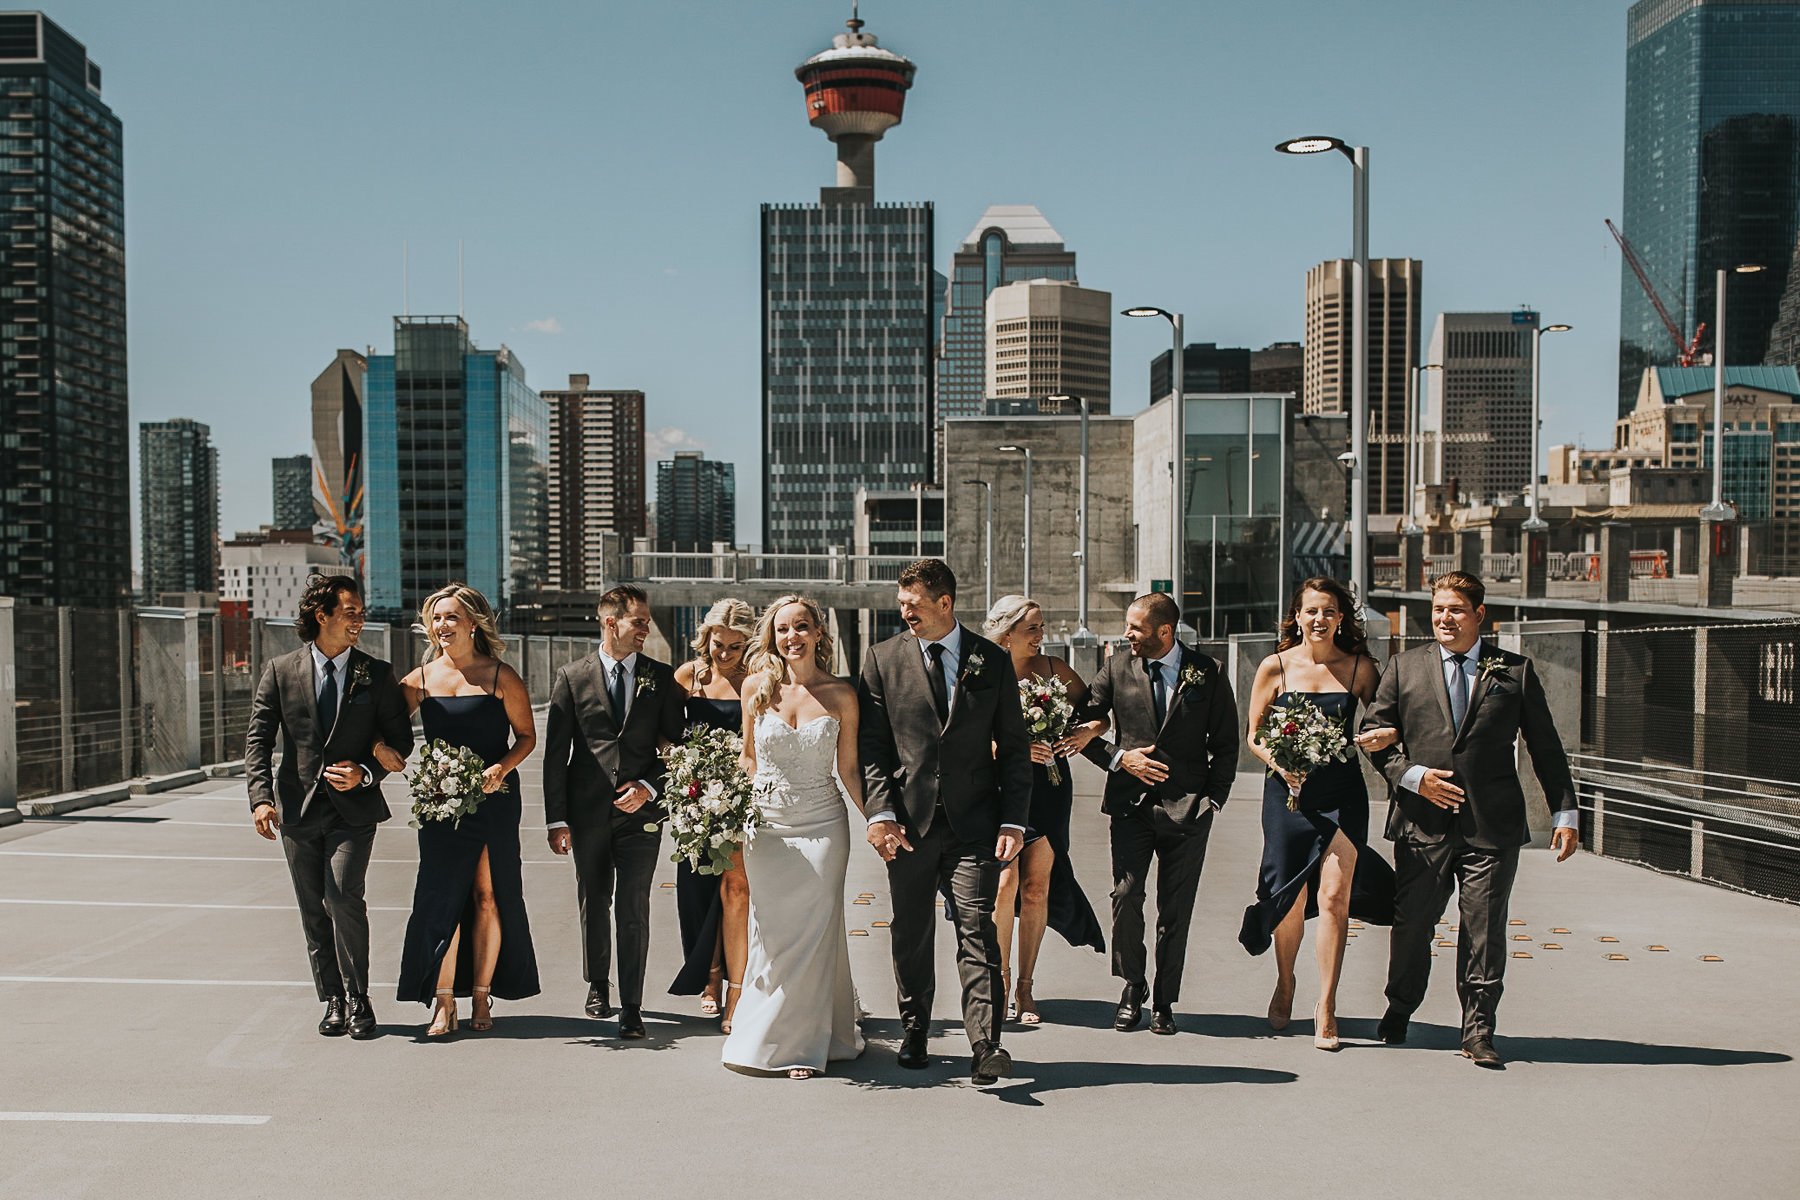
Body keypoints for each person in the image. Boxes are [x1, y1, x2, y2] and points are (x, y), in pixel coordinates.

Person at [1362, 571, 1580, 1069]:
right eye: (1438, 609)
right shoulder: (1403, 667)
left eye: (1455, 609)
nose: (1444, 618)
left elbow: (1545, 748)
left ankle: (1478, 1030)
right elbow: (1375, 735)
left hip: (1492, 824)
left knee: (1483, 929)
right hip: (1423, 822)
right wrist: (1414, 776)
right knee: (1413, 925)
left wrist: (1564, 812)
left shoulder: (1514, 672)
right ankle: (1400, 1006)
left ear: (1480, 615)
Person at [858, 558, 1033, 1087]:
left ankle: (986, 1045)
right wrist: (882, 813)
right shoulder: (881, 660)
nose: (904, 611)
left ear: (945, 603)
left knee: (978, 930)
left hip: (973, 824)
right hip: (908, 825)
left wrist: (1013, 821)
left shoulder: (990, 661)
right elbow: (873, 748)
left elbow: (1016, 750)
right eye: (901, 602)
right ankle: (915, 1030)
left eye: (913, 603)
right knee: (911, 932)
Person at [1062, 593, 1238, 1036]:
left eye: (1135, 628)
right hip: (1130, 805)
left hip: (1189, 809)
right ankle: (1132, 984)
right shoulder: (1117, 667)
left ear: (1165, 631)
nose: (1127, 635)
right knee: (1126, 896)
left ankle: (1164, 999)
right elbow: (1081, 727)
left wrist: (1213, 800)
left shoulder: (1209, 672)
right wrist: (1121, 759)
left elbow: (1227, 743)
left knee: (1175, 909)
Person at [246, 575, 412, 1040]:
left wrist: (367, 771)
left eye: (361, 611)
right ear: (323, 616)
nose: (360, 619)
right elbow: (258, 740)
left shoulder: (376, 674)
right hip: (297, 809)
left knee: (341, 895)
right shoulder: (280, 671)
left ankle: (360, 996)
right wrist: (260, 798)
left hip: (354, 810)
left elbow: (401, 741)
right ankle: (333, 999)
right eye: (351, 612)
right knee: (312, 908)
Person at [1238, 577, 1398, 1051]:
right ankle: (1286, 981)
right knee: (1290, 895)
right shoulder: (1275, 667)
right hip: (1286, 795)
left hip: (1342, 792)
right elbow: (1254, 735)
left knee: (1334, 896)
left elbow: (1388, 719)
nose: (1320, 620)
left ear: (1342, 618)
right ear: (1297, 617)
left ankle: (1325, 1003)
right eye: (1312, 611)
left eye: (1329, 611)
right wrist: (1280, 763)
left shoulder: (1360, 669)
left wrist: (1385, 737)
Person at [721, 596, 866, 1080]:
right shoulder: (756, 689)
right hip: (768, 828)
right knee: (775, 933)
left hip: (824, 825)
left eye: (801, 627)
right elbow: (747, 757)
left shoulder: (842, 695)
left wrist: (880, 822)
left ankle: (801, 1047)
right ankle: (772, 1033)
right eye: (783, 630)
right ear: (773, 637)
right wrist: (729, 806)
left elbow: (848, 769)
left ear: (818, 633)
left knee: (814, 932)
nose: (792, 637)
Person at [387, 584, 541, 1037]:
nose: (442, 626)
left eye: (451, 617)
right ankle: (443, 1001)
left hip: (494, 802)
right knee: (442, 902)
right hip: (441, 806)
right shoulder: (418, 679)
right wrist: (381, 749)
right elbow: (385, 727)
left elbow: (527, 737)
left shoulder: (499, 676)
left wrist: (501, 767)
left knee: (488, 896)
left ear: (473, 622)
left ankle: (480, 993)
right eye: (436, 618)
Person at [542, 585, 685, 1040]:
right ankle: (598, 983)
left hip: (641, 815)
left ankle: (633, 1005)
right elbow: (555, 755)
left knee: (633, 906)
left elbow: (676, 752)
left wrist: (647, 787)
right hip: (587, 813)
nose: (646, 628)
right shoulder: (571, 676)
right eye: (638, 621)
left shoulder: (662, 679)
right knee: (594, 899)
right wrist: (557, 819)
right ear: (611, 621)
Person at [981, 595, 1105, 1027]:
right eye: (1032, 628)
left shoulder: (1053, 670)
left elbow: (1096, 711)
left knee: (1036, 888)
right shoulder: (980, 670)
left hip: (1049, 788)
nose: (1041, 636)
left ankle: (1026, 988)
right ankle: (998, 981)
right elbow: (958, 734)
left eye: (1041, 627)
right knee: (1003, 886)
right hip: (998, 790)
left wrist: (1086, 732)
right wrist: (1005, 748)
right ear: (1007, 633)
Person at [669, 598, 756, 1030]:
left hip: (743, 800)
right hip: (695, 800)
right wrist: (687, 766)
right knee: (697, 894)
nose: (724, 654)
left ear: (749, 644)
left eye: (735, 647)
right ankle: (709, 975)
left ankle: (726, 979)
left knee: (735, 891)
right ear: (706, 638)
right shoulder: (690, 676)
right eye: (718, 644)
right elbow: (661, 735)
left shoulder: (759, 681)